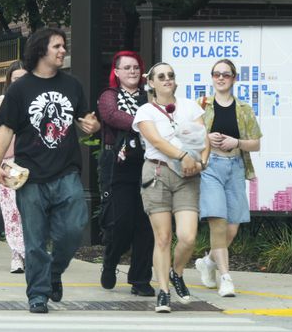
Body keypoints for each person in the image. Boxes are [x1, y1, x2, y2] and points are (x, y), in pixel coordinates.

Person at [0, 27, 100, 314]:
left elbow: (83, 120)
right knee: (35, 241)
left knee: (74, 227)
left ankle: (54, 273)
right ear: (41, 50)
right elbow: (6, 129)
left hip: (66, 172)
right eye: (57, 46)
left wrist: (92, 126)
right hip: (31, 176)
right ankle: (38, 295)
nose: (63, 51)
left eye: (64, 46)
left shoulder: (72, 85)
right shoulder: (20, 89)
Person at [132, 62, 209, 313]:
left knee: (187, 237)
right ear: (151, 83)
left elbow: (203, 137)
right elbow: (155, 140)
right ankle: (164, 291)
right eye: (161, 76)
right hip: (158, 173)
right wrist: (183, 155)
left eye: (171, 76)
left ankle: (177, 273)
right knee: (163, 237)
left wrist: (202, 161)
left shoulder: (190, 106)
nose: (167, 79)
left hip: (188, 175)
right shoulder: (145, 110)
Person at [195, 59, 262, 297]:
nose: (221, 78)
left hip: (235, 166)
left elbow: (255, 144)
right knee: (219, 223)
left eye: (226, 74)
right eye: (216, 74)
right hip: (210, 166)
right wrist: (206, 137)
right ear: (212, 78)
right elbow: (189, 136)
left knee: (231, 230)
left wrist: (238, 142)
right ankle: (225, 277)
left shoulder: (243, 109)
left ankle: (208, 262)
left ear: (234, 78)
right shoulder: (202, 105)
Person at [97, 50, 154, 297]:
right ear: (117, 72)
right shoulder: (109, 96)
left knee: (146, 224)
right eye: (127, 67)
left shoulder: (149, 97)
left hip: (148, 163)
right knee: (120, 222)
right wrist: (145, 123)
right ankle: (110, 261)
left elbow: (165, 117)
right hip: (118, 165)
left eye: (136, 67)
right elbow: (111, 116)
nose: (132, 71)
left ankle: (140, 279)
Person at [0, 60, 28, 274]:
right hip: (11, 162)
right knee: (12, 212)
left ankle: (31, 252)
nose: (20, 83)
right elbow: (1, 136)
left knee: (32, 211)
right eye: (16, 79)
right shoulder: (2, 100)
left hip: (35, 162)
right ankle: (17, 255)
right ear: (9, 81)